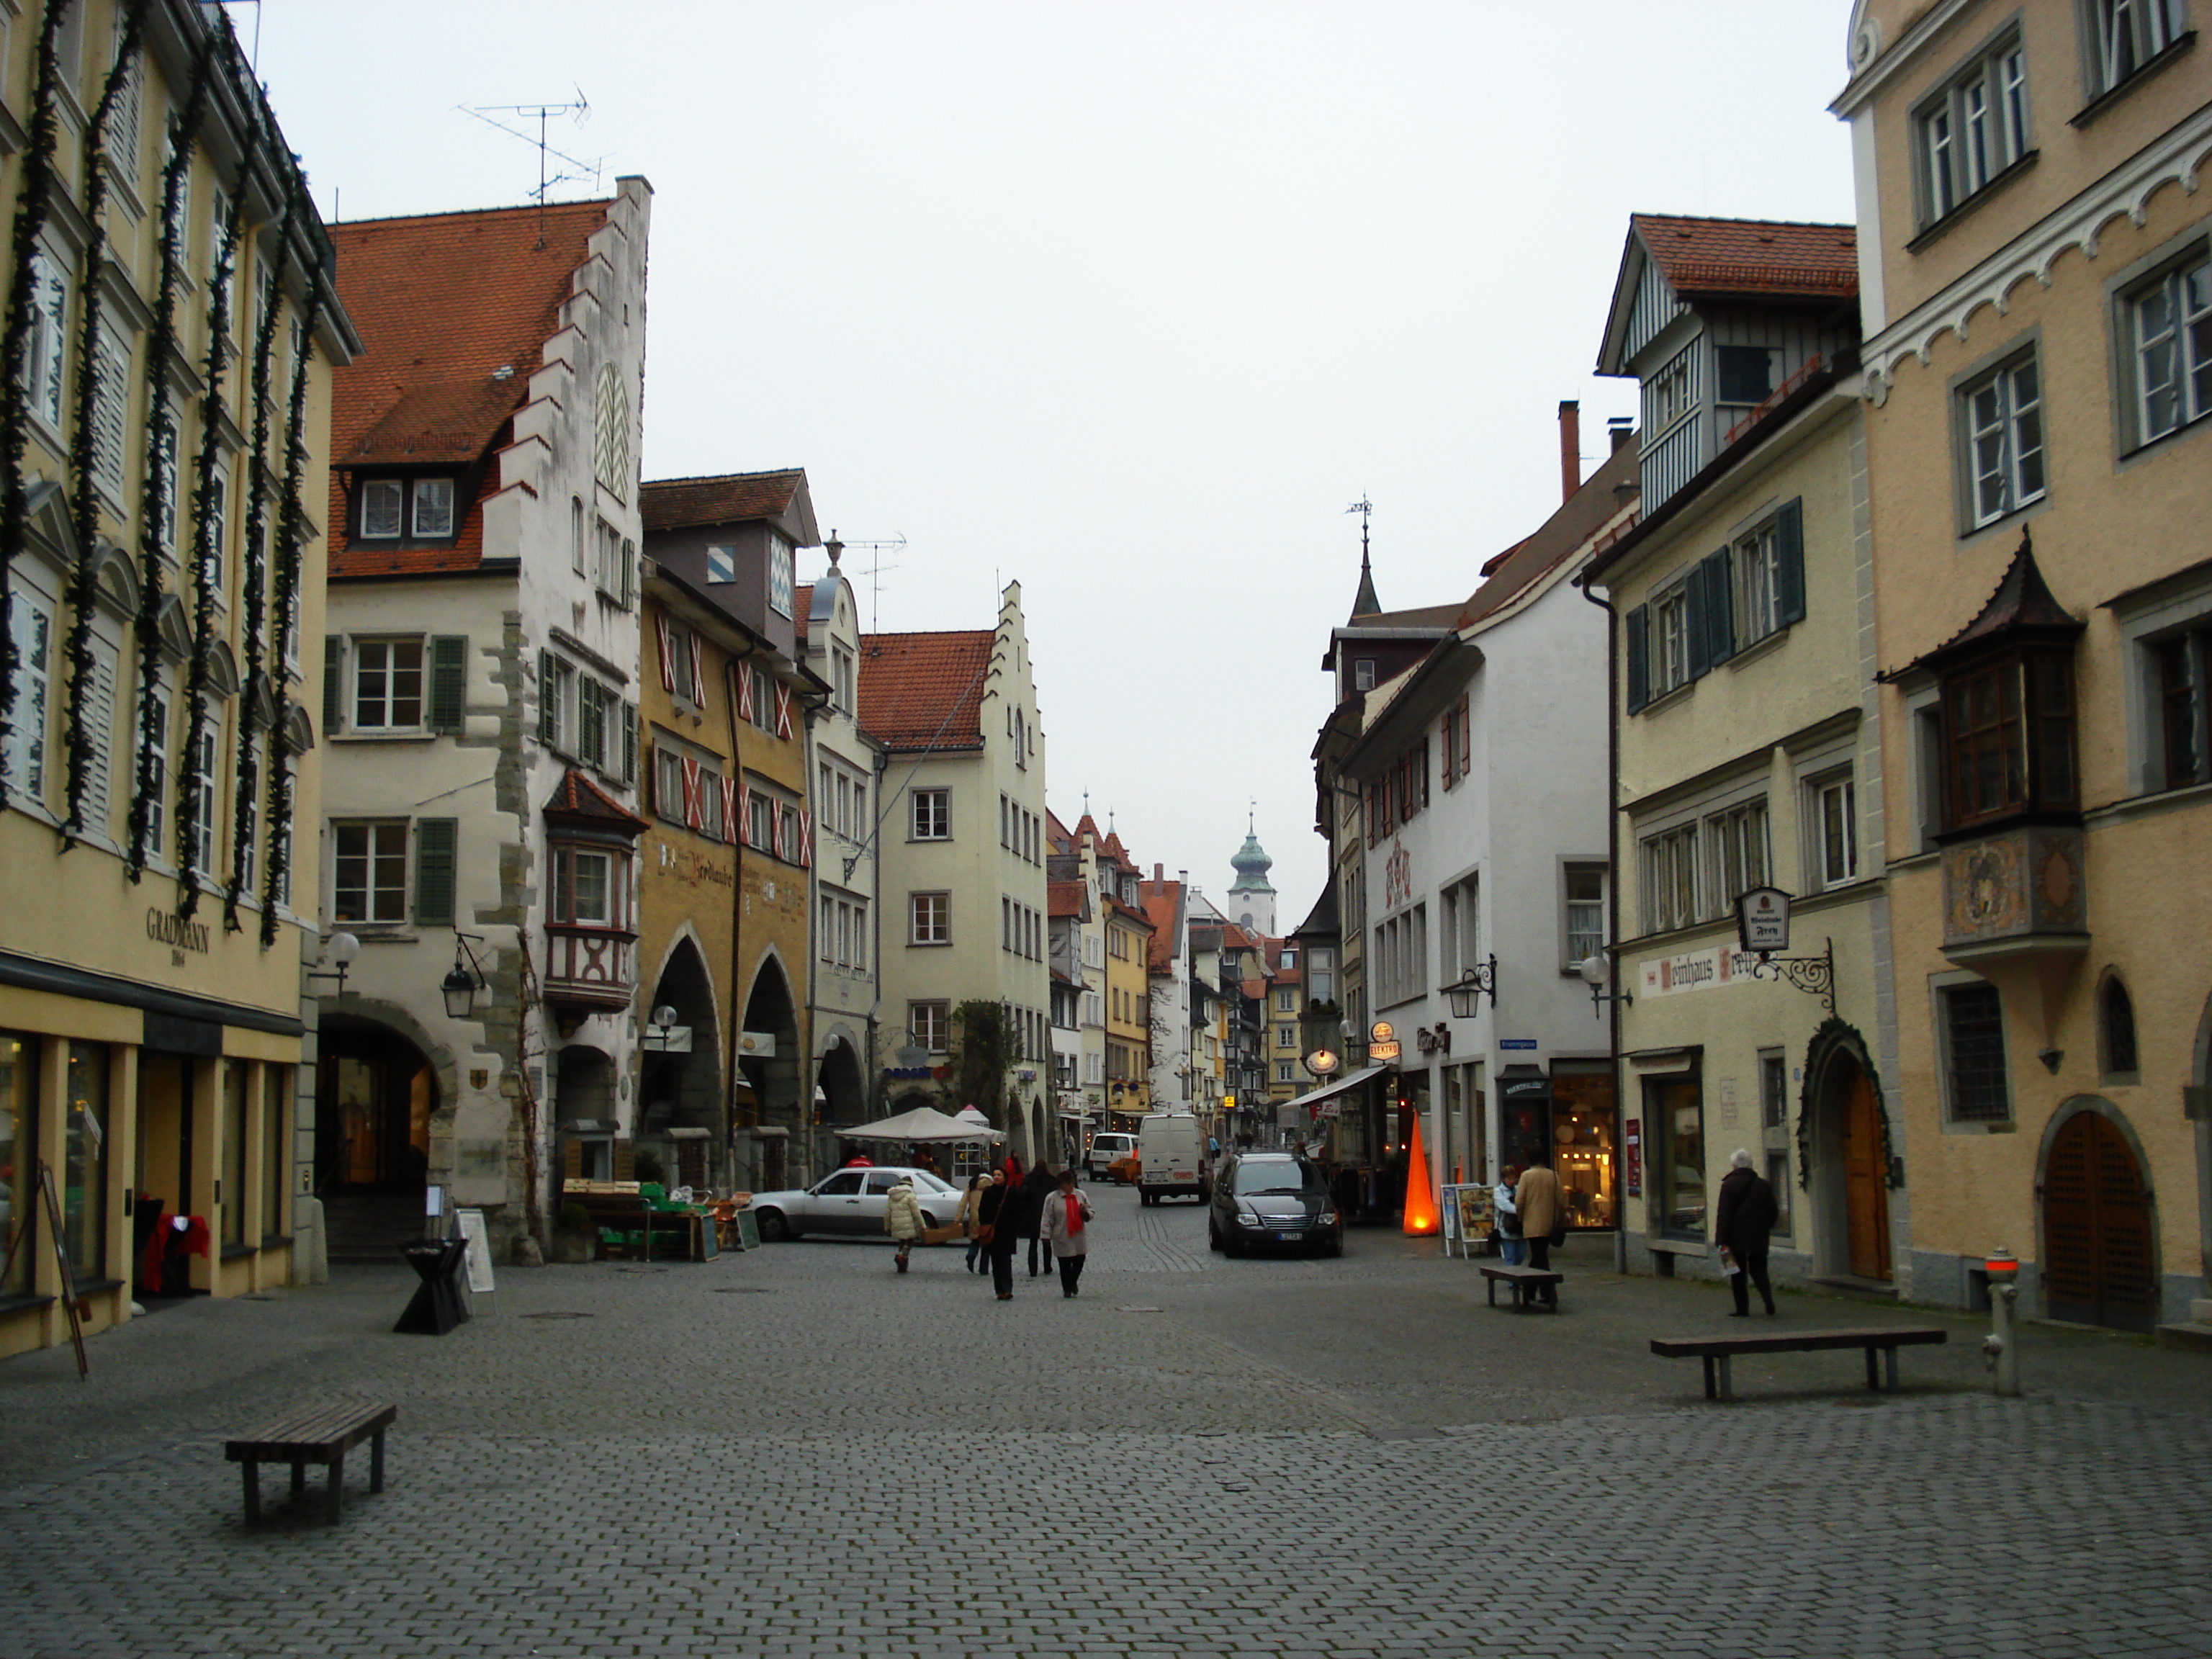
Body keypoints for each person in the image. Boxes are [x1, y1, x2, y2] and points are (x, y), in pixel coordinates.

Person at [1714, 1148, 1780, 1316]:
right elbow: (1773, 1211)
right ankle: (1768, 1301)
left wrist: (1721, 1240)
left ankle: (1742, 1309)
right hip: (1759, 1236)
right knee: (1759, 1270)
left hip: (1735, 1238)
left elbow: (1724, 1215)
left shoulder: (1728, 1185)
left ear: (1734, 1166)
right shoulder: (1763, 1185)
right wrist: (1766, 1227)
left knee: (1737, 1274)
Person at [1513, 1154, 1563, 1310]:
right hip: (1549, 1222)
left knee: (1539, 1258)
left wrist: (1520, 1218)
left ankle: (1548, 1293)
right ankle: (1531, 1291)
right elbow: (1561, 1200)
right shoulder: (1553, 1176)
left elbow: (1519, 1200)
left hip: (1532, 1222)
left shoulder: (1526, 1176)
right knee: (1539, 1255)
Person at [1040, 1168, 1095, 1297]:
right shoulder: (1052, 1198)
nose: (1071, 1185)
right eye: (1068, 1183)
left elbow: (1091, 1211)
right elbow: (1047, 1217)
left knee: (1080, 1260)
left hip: (1078, 1235)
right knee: (1064, 1263)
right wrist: (1045, 1235)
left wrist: (1085, 1213)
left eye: (1072, 1182)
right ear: (1061, 1185)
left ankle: (1073, 1282)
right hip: (1061, 1235)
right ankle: (1067, 1288)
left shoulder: (1081, 1195)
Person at [978, 1169, 1019, 1300]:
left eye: (999, 1175)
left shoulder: (1011, 1192)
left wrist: (1014, 1225)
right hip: (992, 1232)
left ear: (1005, 1177)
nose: (996, 1177)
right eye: (994, 1175)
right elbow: (982, 1210)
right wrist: (985, 1225)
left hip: (1007, 1232)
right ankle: (999, 1290)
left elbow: (1018, 1209)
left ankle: (1007, 1289)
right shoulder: (988, 1192)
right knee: (995, 1262)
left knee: (1006, 1261)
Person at [1018, 1162, 1057, 1277]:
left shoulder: (1029, 1180)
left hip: (1032, 1214)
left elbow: (1022, 1197)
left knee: (1033, 1243)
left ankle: (1033, 1269)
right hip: (1046, 1213)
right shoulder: (1051, 1181)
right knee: (1046, 1242)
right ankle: (1047, 1266)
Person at [883, 1174, 925, 1273]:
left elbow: (887, 1213)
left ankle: (902, 1267)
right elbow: (916, 1212)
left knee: (901, 1242)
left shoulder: (892, 1196)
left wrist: (887, 1227)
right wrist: (923, 1226)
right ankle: (901, 1257)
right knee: (909, 1242)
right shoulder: (910, 1195)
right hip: (908, 1224)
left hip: (896, 1225)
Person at [955, 1172, 989, 1274]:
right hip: (987, 1217)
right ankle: (984, 1268)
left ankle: (971, 1255)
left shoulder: (972, 1185)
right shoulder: (991, 1184)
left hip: (974, 1217)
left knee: (975, 1240)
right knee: (986, 1242)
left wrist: (958, 1219)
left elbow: (963, 1203)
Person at [1493, 1164, 1525, 1266]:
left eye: (1513, 1178)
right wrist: (1520, 1210)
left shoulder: (1518, 1189)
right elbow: (1504, 1206)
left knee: (1521, 1255)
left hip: (1520, 1227)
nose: (1512, 1181)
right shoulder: (1498, 1191)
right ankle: (1511, 1280)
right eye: (1509, 1179)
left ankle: (1515, 1276)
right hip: (1506, 1228)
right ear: (1503, 1179)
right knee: (1510, 1257)